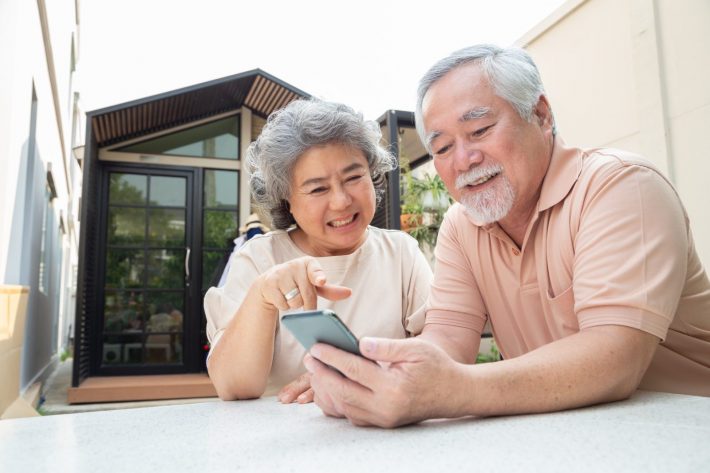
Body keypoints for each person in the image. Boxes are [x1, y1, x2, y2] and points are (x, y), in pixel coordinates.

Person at [305, 44, 710, 428]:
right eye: (442, 148)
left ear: (541, 114)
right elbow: (447, 340)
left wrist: (453, 389)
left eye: (479, 130)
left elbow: (614, 357)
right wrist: (379, 375)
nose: (464, 160)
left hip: (683, 430)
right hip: (564, 437)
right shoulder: (461, 226)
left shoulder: (619, 187)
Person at [204, 99, 432, 403]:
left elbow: (437, 353)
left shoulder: (400, 253)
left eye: (353, 177)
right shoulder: (260, 259)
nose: (341, 201)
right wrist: (262, 297)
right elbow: (234, 386)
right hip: (278, 438)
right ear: (286, 200)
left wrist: (353, 375)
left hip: (378, 432)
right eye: (317, 189)